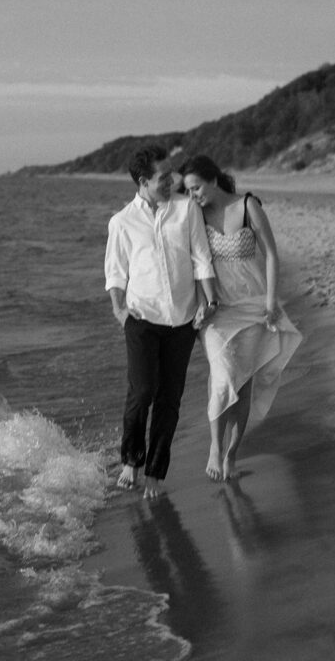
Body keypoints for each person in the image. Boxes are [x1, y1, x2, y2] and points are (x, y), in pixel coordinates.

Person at [104, 143, 218, 499]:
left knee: (170, 399)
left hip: (182, 320)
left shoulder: (186, 210)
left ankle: (154, 472)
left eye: (171, 174)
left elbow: (201, 258)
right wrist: (119, 311)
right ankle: (130, 460)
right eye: (163, 177)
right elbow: (115, 274)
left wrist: (209, 298)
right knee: (142, 392)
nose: (172, 181)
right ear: (143, 181)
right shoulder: (122, 222)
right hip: (141, 318)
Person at [180, 155, 302, 481]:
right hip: (216, 311)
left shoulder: (248, 207)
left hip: (253, 307)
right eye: (188, 191)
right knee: (223, 376)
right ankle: (215, 449)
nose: (193, 196)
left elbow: (272, 255)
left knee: (243, 385)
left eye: (196, 188)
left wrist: (272, 300)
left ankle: (232, 453)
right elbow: (188, 263)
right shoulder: (194, 214)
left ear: (213, 179)